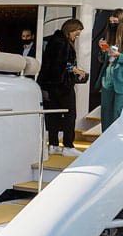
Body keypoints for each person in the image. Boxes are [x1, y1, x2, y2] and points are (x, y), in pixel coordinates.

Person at [37, 19, 87, 155]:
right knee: (70, 115)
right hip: (62, 85)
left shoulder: (54, 41)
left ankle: (53, 144)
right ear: (70, 30)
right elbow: (63, 64)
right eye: (76, 33)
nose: (76, 36)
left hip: (51, 85)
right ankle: (68, 145)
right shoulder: (62, 43)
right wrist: (77, 71)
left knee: (54, 114)